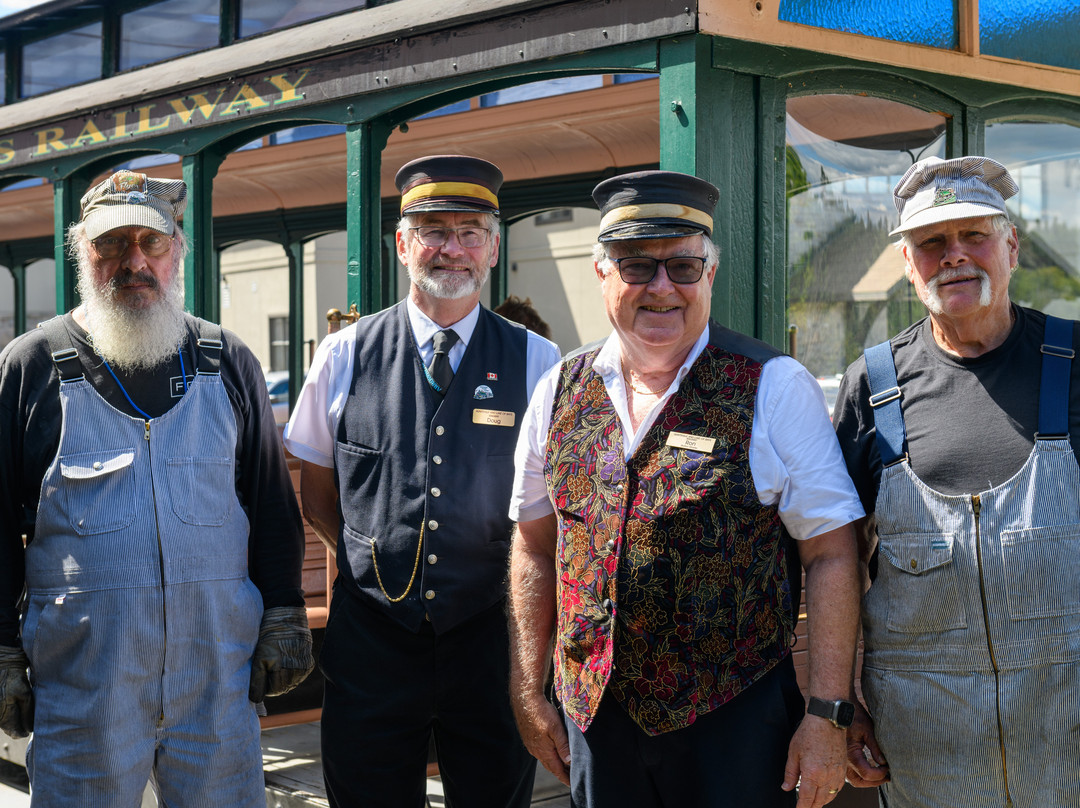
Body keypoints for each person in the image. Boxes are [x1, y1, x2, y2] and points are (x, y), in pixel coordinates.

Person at [508, 169, 865, 808]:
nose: (662, 288)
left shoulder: (774, 386)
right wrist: (529, 689)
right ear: (601, 274)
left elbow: (833, 553)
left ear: (710, 275)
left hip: (734, 724)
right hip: (597, 722)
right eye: (637, 267)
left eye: (683, 267)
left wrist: (827, 714)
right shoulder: (557, 391)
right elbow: (535, 545)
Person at [0, 170, 313, 806]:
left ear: (178, 251)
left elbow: (272, 506)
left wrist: (285, 611)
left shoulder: (227, 361)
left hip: (216, 683)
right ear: (81, 252)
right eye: (112, 245)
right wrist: (2, 650)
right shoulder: (33, 364)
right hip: (87, 684)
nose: (133, 261)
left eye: (152, 242)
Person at [284, 154, 560, 808]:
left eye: (469, 233)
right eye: (433, 231)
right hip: (371, 648)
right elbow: (316, 487)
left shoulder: (537, 359)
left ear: (493, 249)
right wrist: (370, 560)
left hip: (492, 645)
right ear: (404, 244)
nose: (451, 249)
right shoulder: (344, 353)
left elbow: (550, 509)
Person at [834, 155, 1080, 806]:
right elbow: (834, 557)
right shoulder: (873, 387)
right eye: (932, 243)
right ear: (908, 263)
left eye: (975, 235)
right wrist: (840, 704)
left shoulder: (1075, 362)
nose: (955, 256)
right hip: (925, 751)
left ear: (1012, 246)